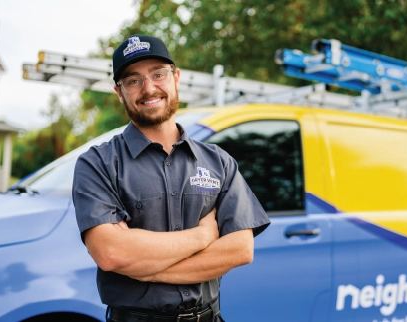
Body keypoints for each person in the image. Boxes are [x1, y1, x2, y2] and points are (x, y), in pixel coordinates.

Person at [72, 34, 270, 322]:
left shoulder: (219, 162)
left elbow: (240, 249)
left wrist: (143, 266)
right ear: (119, 92)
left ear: (176, 77)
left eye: (158, 74)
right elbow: (111, 253)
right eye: (133, 80)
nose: (149, 88)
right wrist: (203, 235)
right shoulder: (98, 164)